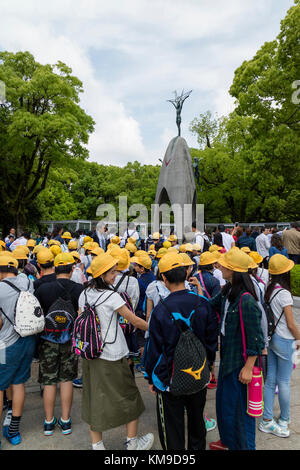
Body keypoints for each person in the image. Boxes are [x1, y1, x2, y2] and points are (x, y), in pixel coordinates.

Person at [78, 253, 154, 451]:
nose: (115, 276)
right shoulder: (111, 296)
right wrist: (158, 329)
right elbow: (134, 321)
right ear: (102, 274)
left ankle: (97, 445)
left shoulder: (84, 294)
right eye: (112, 273)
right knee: (130, 397)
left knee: (94, 398)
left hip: (91, 354)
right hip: (113, 354)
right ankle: (132, 443)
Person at [144, 253, 218, 450]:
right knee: (197, 424)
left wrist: (151, 377)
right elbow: (211, 340)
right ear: (186, 274)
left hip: (168, 380)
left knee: (171, 430)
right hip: (199, 373)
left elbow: (154, 348)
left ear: (164, 278)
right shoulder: (202, 304)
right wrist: (209, 366)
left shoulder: (160, 310)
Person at [209, 248, 265, 451]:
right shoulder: (227, 292)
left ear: (233, 270)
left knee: (241, 414)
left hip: (240, 365)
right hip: (227, 360)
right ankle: (228, 443)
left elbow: (256, 338)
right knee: (226, 408)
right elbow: (209, 305)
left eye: (223, 264)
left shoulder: (246, 300)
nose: (219, 266)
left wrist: (249, 368)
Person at [35, 253, 84, 437]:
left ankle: (48, 422)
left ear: (55, 269)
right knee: (66, 380)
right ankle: (65, 420)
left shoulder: (42, 288)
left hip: (47, 340)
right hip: (70, 341)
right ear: (72, 270)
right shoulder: (80, 289)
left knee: (49, 382)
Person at [258, 255, 300, 438]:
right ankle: (284, 419)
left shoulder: (269, 288)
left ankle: (267, 420)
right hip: (285, 340)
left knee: (270, 381)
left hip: (272, 339)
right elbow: (291, 324)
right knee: (283, 382)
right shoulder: (283, 293)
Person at [0, 255, 36, 447]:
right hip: (28, 340)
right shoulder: (28, 283)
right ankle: (14, 430)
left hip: (4, 344)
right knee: (19, 383)